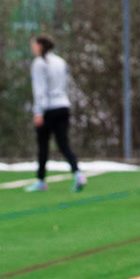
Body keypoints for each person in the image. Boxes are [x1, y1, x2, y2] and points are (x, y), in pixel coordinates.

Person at [27, 36, 83, 193]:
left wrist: (38, 111)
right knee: (63, 144)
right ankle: (77, 172)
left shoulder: (39, 63)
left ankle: (40, 180)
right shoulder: (60, 61)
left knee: (43, 145)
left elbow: (40, 89)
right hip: (63, 106)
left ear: (39, 46)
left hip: (48, 108)